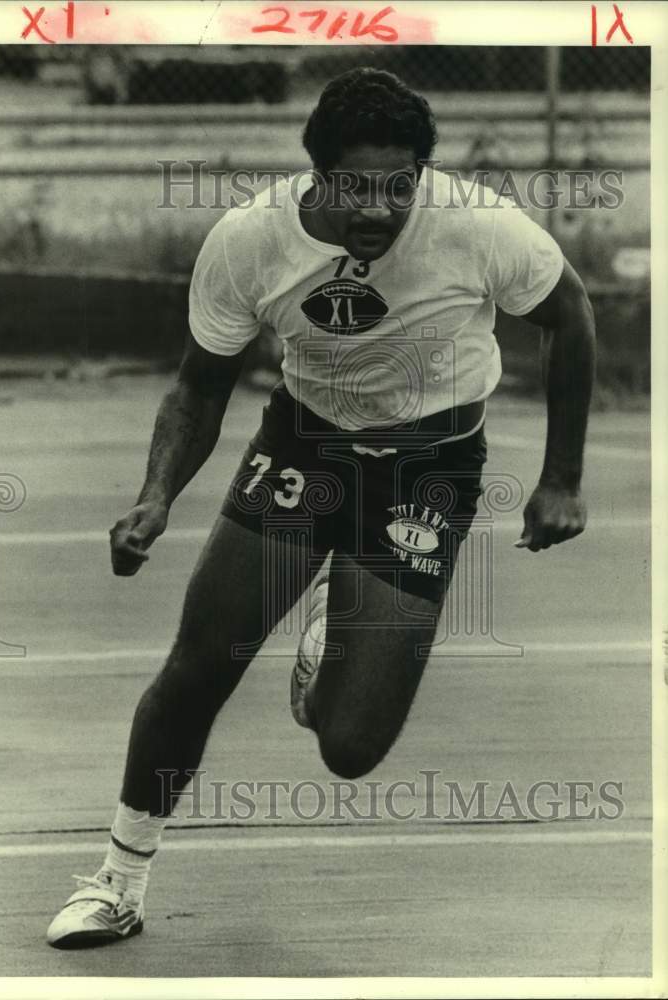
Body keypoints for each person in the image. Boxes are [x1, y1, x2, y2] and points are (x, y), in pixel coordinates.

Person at [46, 67, 595, 949]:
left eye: (399, 184)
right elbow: (200, 386)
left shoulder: (476, 226)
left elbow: (572, 315)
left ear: (423, 174)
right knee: (199, 665)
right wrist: (154, 497)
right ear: (316, 175)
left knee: (349, 748)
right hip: (304, 451)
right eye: (354, 185)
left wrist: (561, 479)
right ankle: (118, 879)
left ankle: (329, 641)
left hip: (430, 470)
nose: (378, 207)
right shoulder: (250, 241)